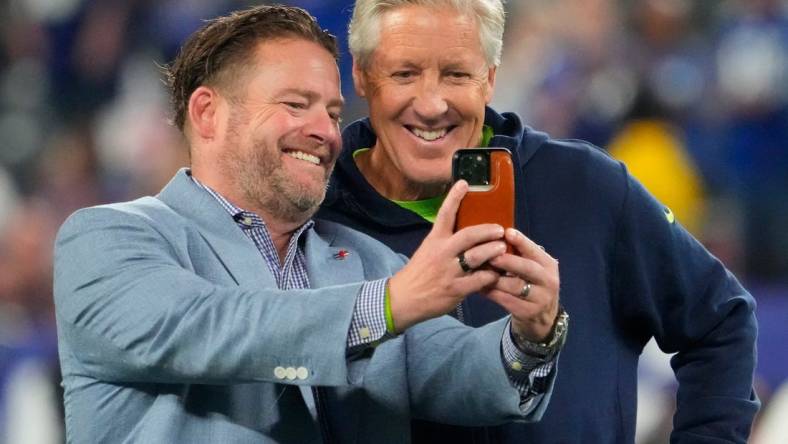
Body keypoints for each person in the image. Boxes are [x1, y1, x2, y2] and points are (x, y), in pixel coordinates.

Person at [52, 5, 567, 443]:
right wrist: (388, 303)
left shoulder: (370, 262)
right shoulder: (106, 240)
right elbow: (216, 326)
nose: (325, 132)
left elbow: (463, 377)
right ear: (208, 113)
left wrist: (531, 336)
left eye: (333, 111)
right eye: (296, 104)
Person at [317, 0, 760, 442]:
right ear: (361, 74)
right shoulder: (311, 211)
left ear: (489, 77)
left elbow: (721, 319)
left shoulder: (586, 187)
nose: (432, 105)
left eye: (456, 74)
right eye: (404, 74)